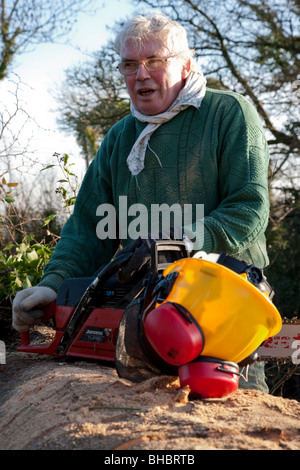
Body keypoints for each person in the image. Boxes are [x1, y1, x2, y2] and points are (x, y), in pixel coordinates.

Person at [12, 13, 271, 392]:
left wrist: (183, 238)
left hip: (223, 305)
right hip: (143, 316)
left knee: (229, 416)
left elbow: (249, 207)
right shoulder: (120, 137)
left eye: (155, 61)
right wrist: (53, 285)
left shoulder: (228, 114)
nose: (141, 74)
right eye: (130, 65)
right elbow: (88, 228)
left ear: (185, 64)